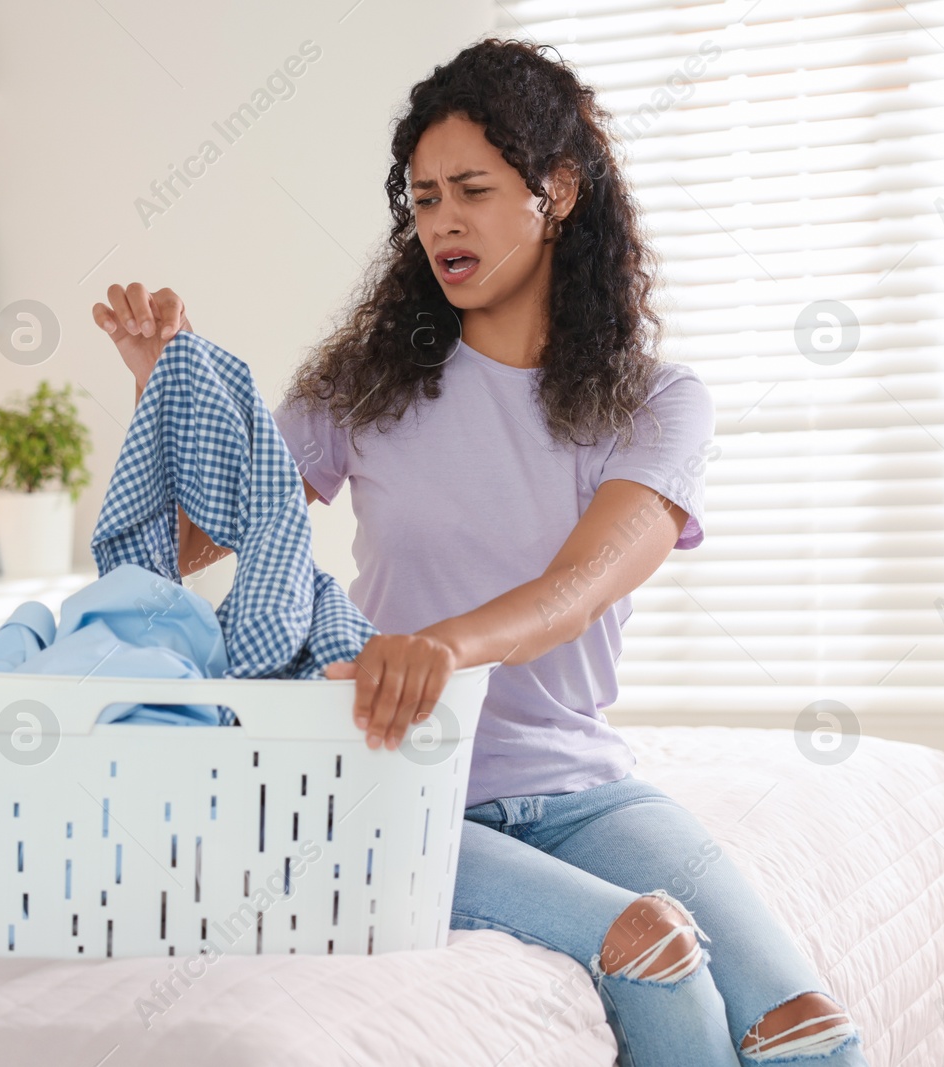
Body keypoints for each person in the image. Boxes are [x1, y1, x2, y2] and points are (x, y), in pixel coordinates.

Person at [92, 36, 865, 1067]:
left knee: (801, 1023)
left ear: (556, 192)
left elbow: (582, 584)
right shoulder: (362, 389)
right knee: (654, 943)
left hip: (579, 782)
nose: (441, 221)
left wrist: (444, 643)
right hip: (394, 780)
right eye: (420, 200)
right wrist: (165, 394)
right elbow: (184, 547)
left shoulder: (657, 402)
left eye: (471, 189)